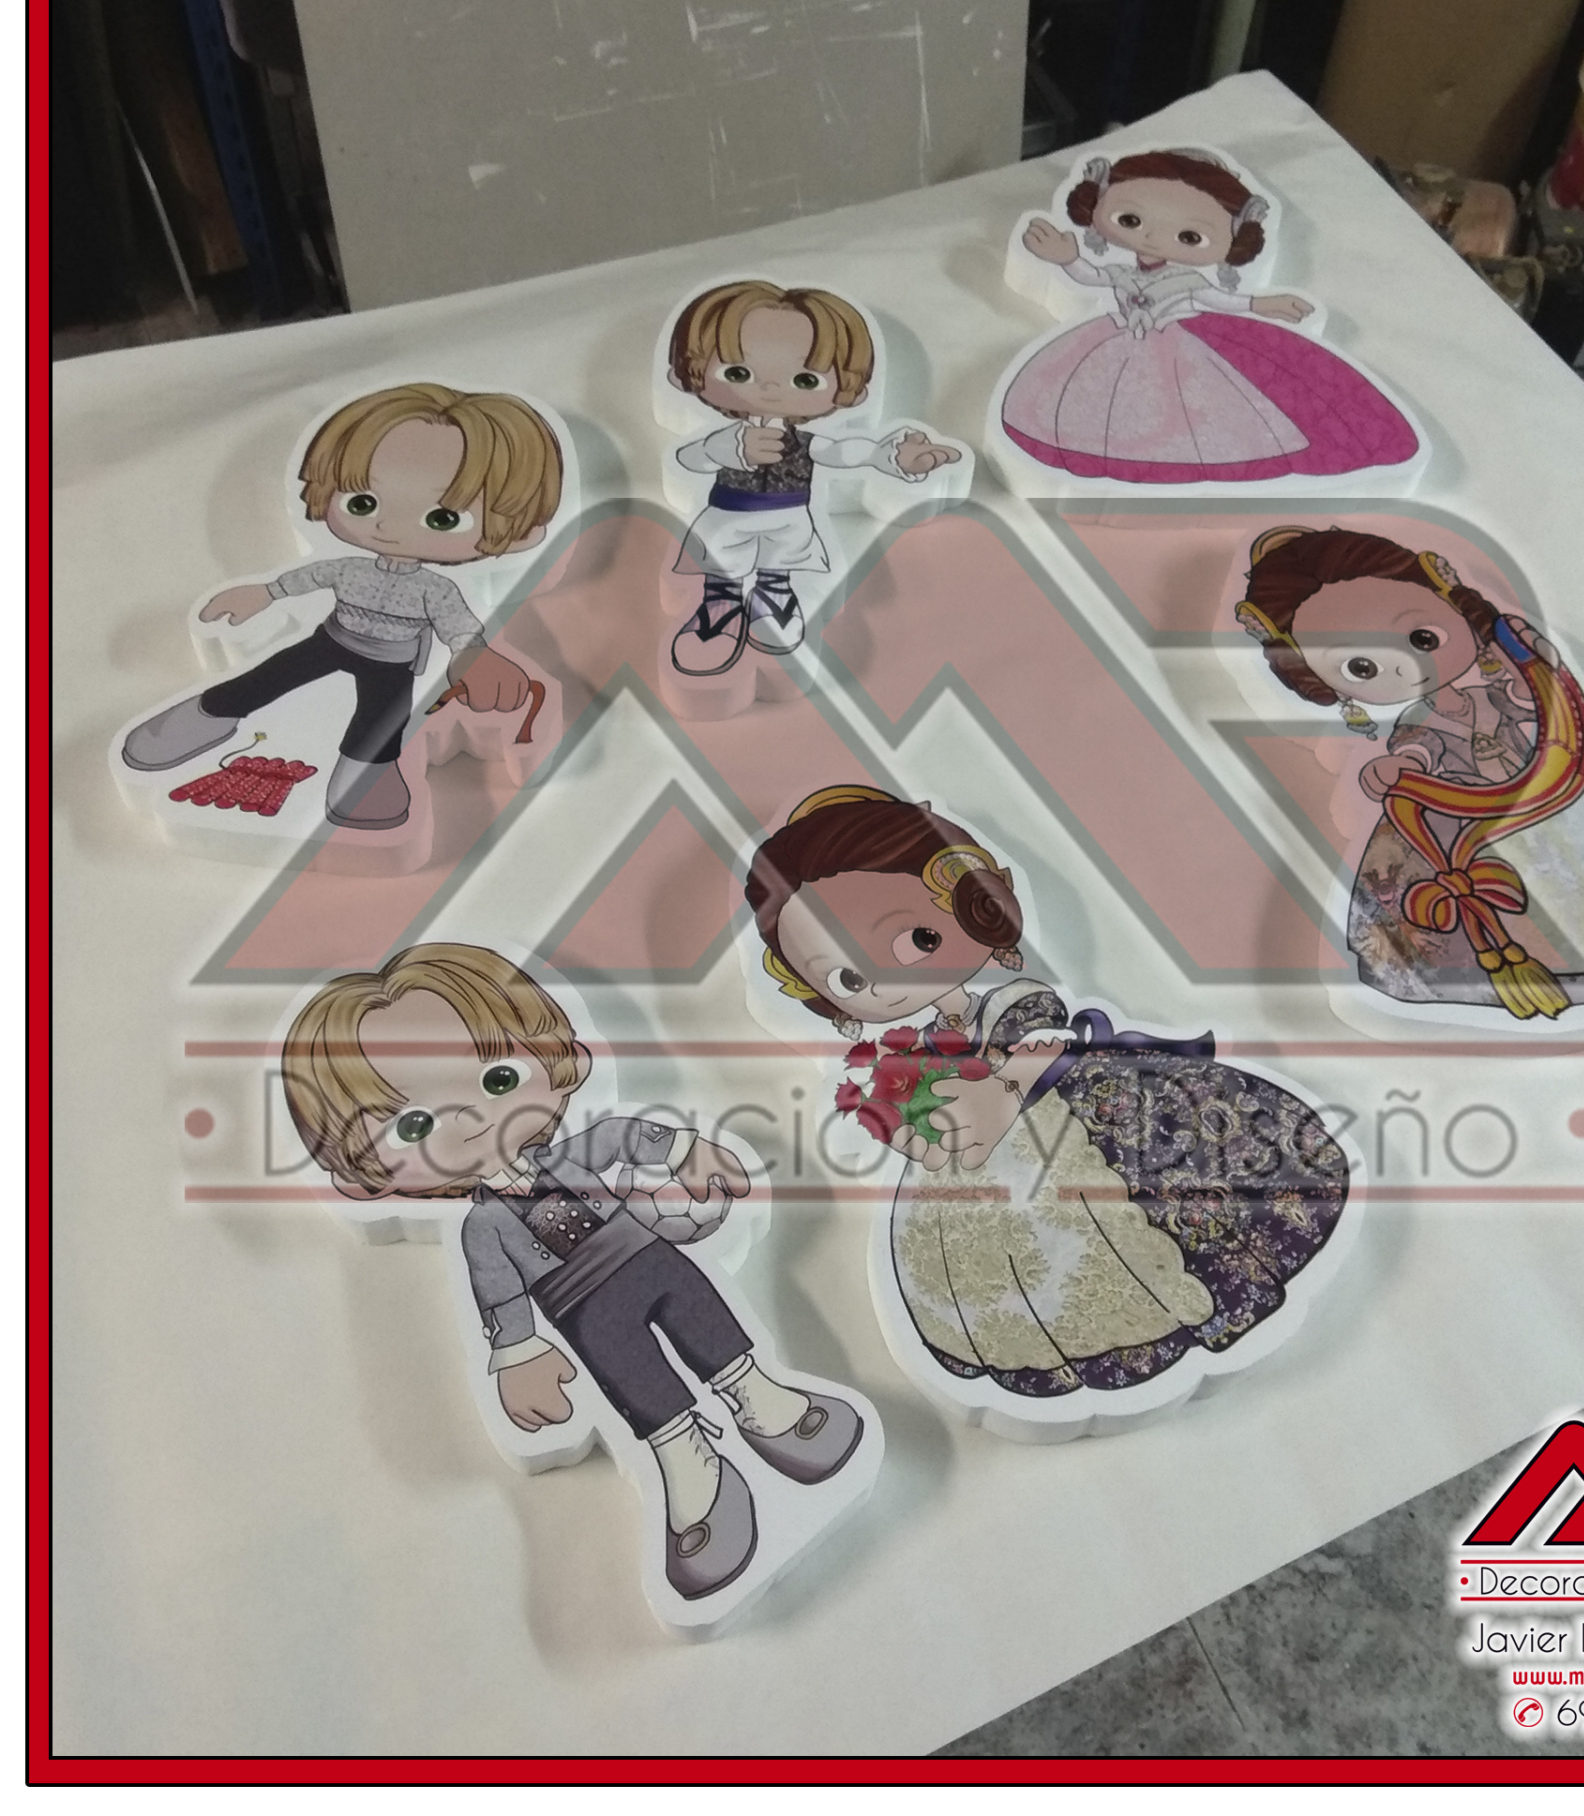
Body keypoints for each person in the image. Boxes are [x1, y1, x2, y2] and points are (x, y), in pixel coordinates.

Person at [282, 942, 865, 1600]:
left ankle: (760, 1397)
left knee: (699, 1308)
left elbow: (621, 1136)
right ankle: (688, 1464)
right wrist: (517, 1353)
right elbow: (500, 1295)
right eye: (414, 1123)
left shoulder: (572, 1153)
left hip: (649, 1255)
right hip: (585, 1310)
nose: (469, 1119)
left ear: (555, 1059)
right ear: (364, 1169)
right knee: (633, 1377)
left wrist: (683, 1148)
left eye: (497, 1079)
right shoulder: (482, 1227)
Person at [746, 787, 1349, 1401]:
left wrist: (1004, 1089)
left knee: (1147, 1211)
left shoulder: (1012, 1002)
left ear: (974, 905)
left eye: (917, 938)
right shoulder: (914, 1049)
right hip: (984, 1173)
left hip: (1084, 1123)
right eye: (848, 978)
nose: (885, 981)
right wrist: (913, 1129)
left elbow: (1050, 1044)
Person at [1236, 526, 1584, 1018]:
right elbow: (1421, 752)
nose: (1406, 666)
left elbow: (1546, 717)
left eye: (1422, 638)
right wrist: (1401, 768)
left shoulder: (1507, 682)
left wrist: (1530, 678)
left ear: (1451, 601)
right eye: (1360, 668)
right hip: (1460, 820)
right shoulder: (1418, 722)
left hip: (1551, 797)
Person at [121, 384, 559, 831]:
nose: (387, 526)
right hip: (330, 640)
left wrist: (474, 657)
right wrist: (266, 592)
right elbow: (311, 576)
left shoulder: (436, 589)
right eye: (362, 502)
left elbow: (458, 626)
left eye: (443, 519)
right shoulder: (349, 567)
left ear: (518, 533)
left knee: (380, 723)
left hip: (393, 664)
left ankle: (368, 777)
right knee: (264, 679)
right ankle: (202, 717)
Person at [1001, 148, 1419, 484]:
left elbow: (1222, 300)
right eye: (1130, 220)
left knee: (1197, 414)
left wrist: (1265, 304)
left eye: (1190, 236)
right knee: (1096, 407)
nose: (1152, 237)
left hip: (1179, 350)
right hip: (1112, 342)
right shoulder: (1122, 271)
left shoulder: (1188, 279)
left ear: (1232, 241)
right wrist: (1068, 257)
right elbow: (1092, 277)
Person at [664, 281, 961, 674]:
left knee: (782, 560)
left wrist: (885, 454)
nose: (769, 389)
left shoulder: (806, 441)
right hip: (730, 511)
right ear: (688, 373)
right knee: (722, 561)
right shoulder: (726, 438)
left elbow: (840, 451)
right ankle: (719, 607)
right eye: (737, 372)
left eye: (805, 380)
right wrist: (730, 450)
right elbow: (689, 457)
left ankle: (774, 596)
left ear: (852, 392)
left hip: (790, 514)